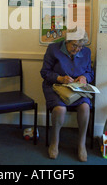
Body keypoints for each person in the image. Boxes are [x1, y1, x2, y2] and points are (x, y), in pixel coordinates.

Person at [40, 30, 93, 162]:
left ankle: (81, 144)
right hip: (56, 87)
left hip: (77, 89)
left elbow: (90, 73)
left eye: (80, 47)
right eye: (74, 45)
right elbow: (44, 72)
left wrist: (84, 77)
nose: (77, 49)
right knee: (60, 109)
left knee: (85, 107)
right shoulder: (53, 49)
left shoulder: (86, 52)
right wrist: (60, 78)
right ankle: (54, 142)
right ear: (67, 41)